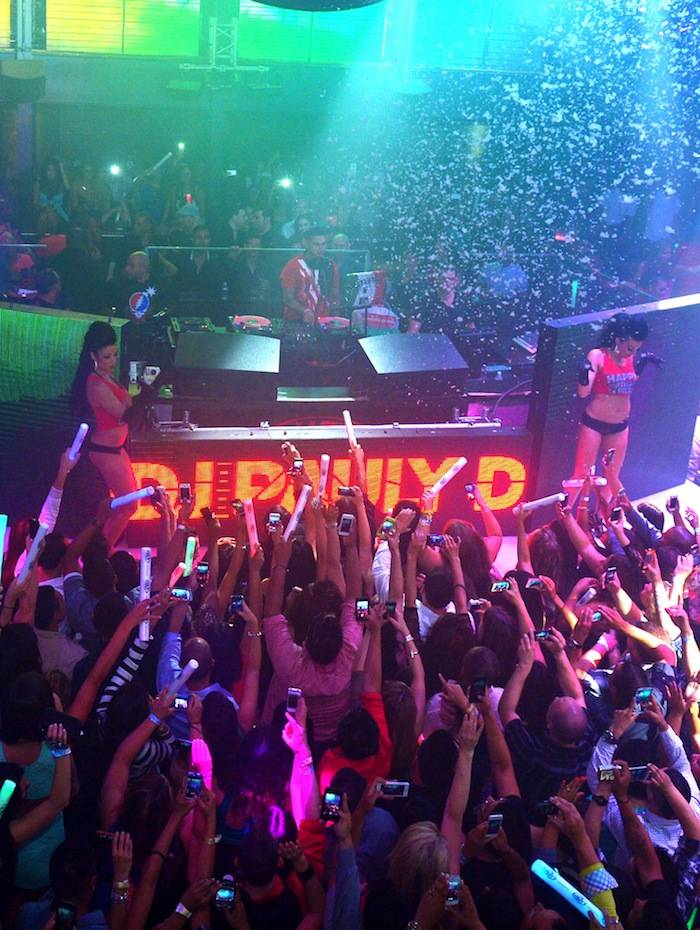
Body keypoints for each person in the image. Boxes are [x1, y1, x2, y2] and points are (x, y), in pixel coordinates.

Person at [69, 321, 137, 545]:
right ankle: (99, 555)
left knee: (122, 505)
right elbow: (124, 413)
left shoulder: (109, 378)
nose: (113, 361)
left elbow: (129, 404)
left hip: (116, 450)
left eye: (114, 355)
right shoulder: (96, 384)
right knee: (128, 505)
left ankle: (99, 552)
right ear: (93, 356)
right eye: (107, 357)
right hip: (106, 451)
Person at [574, 311, 659, 480]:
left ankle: (605, 500)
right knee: (582, 476)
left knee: (612, 478)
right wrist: (584, 375)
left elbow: (628, 380)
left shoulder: (630, 357)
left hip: (620, 427)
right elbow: (583, 393)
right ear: (619, 339)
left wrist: (642, 364)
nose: (632, 353)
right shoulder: (598, 356)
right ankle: (571, 499)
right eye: (630, 348)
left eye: (637, 349)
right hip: (594, 423)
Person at [279, 226, 340, 323]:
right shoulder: (293, 266)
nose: (321, 248)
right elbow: (287, 298)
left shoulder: (331, 265)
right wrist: (305, 311)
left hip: (324, 321)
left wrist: (335, 317)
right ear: (306, 243)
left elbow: (334, 295)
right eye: (316, 244)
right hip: (296, 321)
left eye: (323, 244)